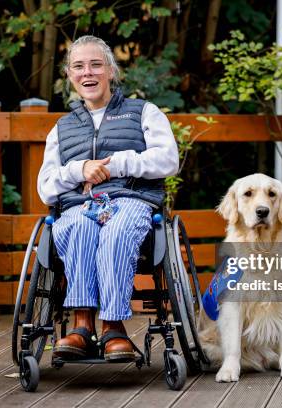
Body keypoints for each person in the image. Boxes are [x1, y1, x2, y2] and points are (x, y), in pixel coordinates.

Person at [37, 35, 179, 361]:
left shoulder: (143, 112)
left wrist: (118, 164)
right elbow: (45, 187)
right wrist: (79, 169)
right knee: (78, 229)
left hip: (131, 199)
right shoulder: (61, 128)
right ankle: (81, 325)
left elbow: (168, 160)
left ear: (110, 71)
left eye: (96, 65)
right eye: (78, 66)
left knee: (116, 232)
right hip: (79, 205)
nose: (88, 73)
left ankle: (113, 326)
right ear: (70, 75)